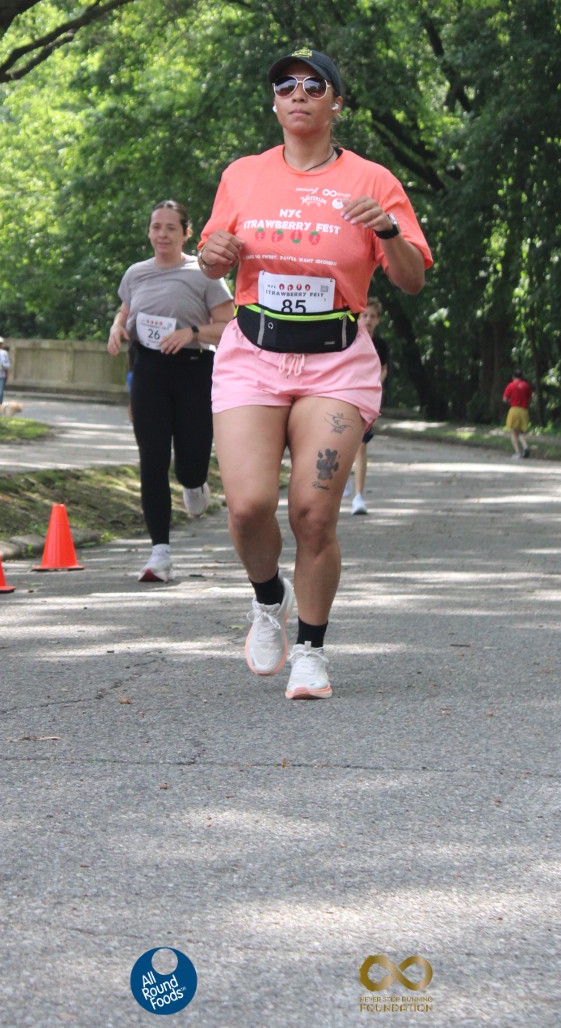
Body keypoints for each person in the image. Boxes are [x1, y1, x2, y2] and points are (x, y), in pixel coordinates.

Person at [198, 48, 431, 700]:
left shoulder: (373, 179)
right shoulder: (243, 175)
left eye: (313, 84)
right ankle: (267, 596)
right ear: (275, 104)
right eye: (285, 85)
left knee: (313, 512)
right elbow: (212, 258)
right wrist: (211, 254)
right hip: (253, 354)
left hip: (335, 362)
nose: (297, 93)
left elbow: (411, 278)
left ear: (337, 103)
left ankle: (311, 650)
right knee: (247, 507)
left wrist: (388, 231)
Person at [107, 199, 235, 583]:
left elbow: (228, 326)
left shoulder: (204, 273)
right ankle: (159, 553)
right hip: (149, 371)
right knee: (152, 458)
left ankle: (194, 483)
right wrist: (117, 327)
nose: (162, 234)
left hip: (194, 370)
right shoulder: (136, 273)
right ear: (149, 231)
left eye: (170, 228)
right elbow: (125, 310)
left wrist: (191, 333)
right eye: (156, 227)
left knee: (190, 463)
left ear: (186, 233)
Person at [349, 297, 390, 516]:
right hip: (346, 395)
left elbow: (383, 368)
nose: (368, 320)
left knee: (362, 445)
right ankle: (343, 478)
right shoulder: (348, 339)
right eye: (365, 315)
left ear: (378, 320)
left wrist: (376, 384)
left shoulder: (380, 345)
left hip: (368, 398)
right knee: (343, 444)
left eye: (373, 316)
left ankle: (358, 496)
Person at [502, 370, 533, 459]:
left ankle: (518, 452)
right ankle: (525, 446)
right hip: (524, 410)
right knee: (520, 432)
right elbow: (530, 399)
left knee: (513, 432)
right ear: (521, 377)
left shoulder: (511, 385)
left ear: (513, 377)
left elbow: (505, 399)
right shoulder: (526, 385)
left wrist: (511, 401)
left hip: (514, 409)